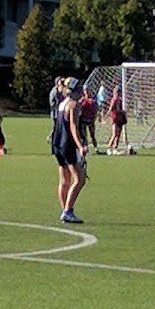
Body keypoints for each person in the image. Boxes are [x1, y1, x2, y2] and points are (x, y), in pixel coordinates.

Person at [51, 77, 88, 224]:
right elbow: (73, 127)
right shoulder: (73, 105)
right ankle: (68, 211)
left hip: (57, 144)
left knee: (64, 181)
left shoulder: (62, 103)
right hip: (67, 145)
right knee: (80, 179)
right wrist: (80, 145)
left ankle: (65, 210)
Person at [107, 87, 128, 153]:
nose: (118, 94)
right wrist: (107, 115)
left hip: (119, 119)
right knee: (114, 134)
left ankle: (115, 148)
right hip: (115, 118)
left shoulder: (120, 100)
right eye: (117, 92)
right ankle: (109, 148)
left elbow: (120, 109)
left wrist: (123, 112)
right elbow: (111, 109)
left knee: (118, 135)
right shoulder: (114, 100)